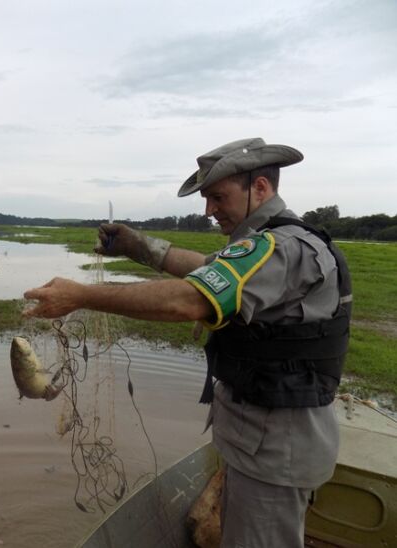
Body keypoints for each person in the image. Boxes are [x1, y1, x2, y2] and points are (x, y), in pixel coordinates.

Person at [23, 137, 351, 547]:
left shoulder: (282, 248)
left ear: (261, 188)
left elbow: (192, 298)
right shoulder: (262, 246)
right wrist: (136, 245)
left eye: (217, 197)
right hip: (262, 442)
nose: (208, 210)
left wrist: (82, 296)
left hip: (275, 450)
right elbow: (206, 269)